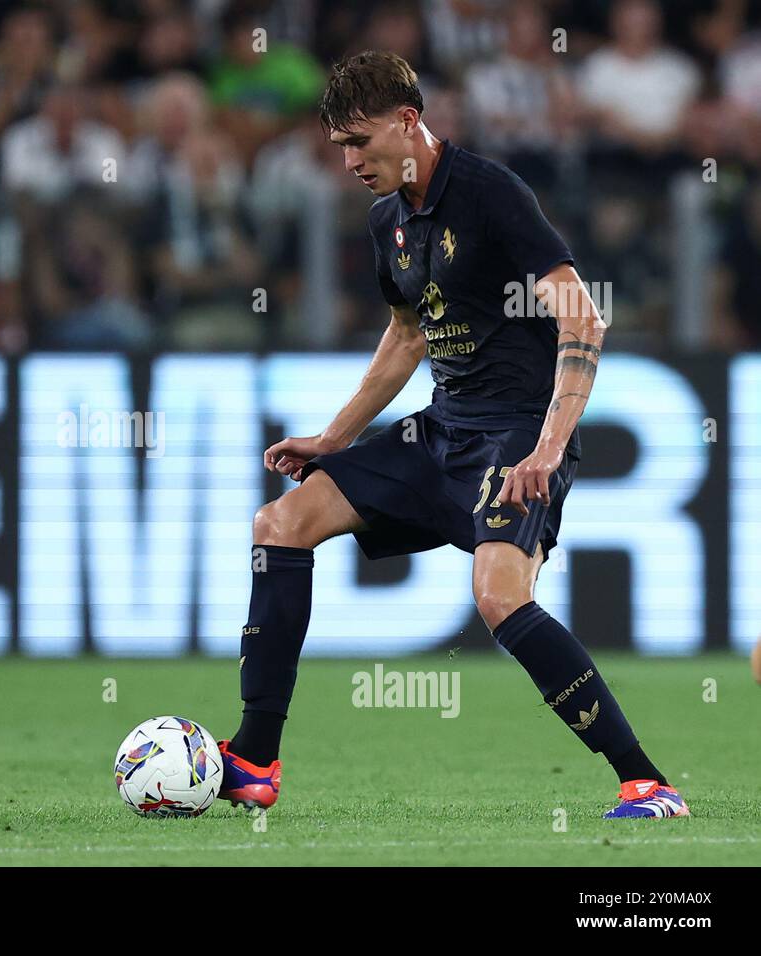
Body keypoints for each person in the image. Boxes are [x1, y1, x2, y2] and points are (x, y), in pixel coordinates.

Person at [218, 51, 689, 821]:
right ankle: (255, 759)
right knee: (281, 523)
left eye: (360, 142)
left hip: (515, 439)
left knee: (500, 597)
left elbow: (583, 317)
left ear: (408, 122)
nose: (348, 162)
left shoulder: (490, 194)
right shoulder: (388, 222)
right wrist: (335, 438)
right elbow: (407, 336)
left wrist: (547, 445)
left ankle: (646, 781)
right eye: (340, 146)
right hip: (440, 432)